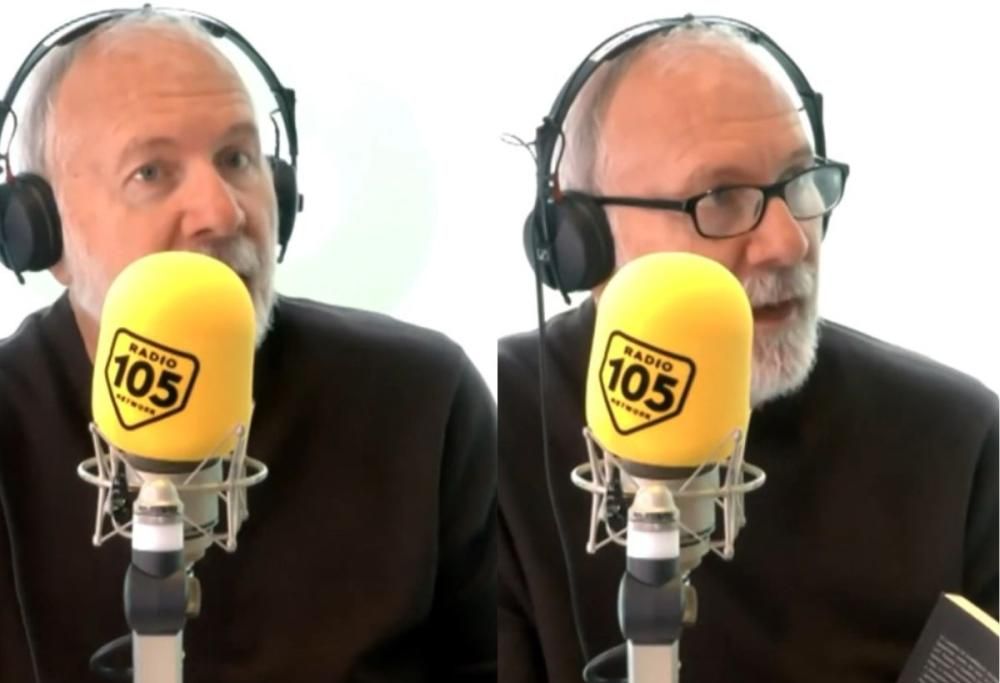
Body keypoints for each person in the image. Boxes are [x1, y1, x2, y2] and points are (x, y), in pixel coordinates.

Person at [0, 8, 496, 682]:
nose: (222, 211)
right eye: (151, 172)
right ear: (40, 231)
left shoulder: (424, 401)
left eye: (237, 158)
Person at [498, 16, 998, 683]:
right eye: (722, 198)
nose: (789, 241)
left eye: (802, 180)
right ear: (577, 237)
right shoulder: (493, 426)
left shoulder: (954, 439)